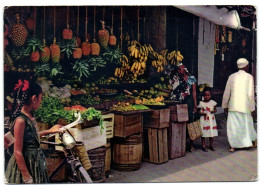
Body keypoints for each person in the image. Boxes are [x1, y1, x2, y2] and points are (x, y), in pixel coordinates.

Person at [5, 79, 63, 183]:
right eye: (41, 98)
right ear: (34, 98)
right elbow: (17, 152)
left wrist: (49, 131)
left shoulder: (29, 117)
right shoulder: (20, 121)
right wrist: (27, 178)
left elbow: (32, 136)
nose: (41, 102)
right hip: (27, 165)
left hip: (34, 163)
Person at [222, 58, 257, 152]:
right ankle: (247, 143)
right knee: (245, 125)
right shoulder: (249, 77)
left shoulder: (231, 76)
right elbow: (250, 94)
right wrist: (252, 108)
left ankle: (233, 145)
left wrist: (225, 105)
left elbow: (227, 92)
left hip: (233, 106)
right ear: (246, 67)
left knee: (233, 127)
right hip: (245, 106)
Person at [169, 63, 197, 152]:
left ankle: (191, 144)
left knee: (190, 122)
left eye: (179, 69)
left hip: (189, 102)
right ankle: (182, 144)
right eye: (177, 70)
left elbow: (194, 92)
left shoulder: (191, 78)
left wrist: (195, 105)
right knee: (181, 122)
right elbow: (173, 89)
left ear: (184, 69)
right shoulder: (177, 79)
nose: (179, 71)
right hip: (180, 102)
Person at [197, 87, 218, 152]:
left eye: (208, 95)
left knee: (211, 132)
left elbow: (215, 110)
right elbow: (199, 111)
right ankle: (203, 145)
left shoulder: (213, 102)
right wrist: (203, 113)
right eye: (205, 95)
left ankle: (211, 145)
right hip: (204, 119)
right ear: (203, 96)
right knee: (204, 132)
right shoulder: (201, 103)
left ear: (210, 95)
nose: (207, 96)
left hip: (211, 119)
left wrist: (213, 112)